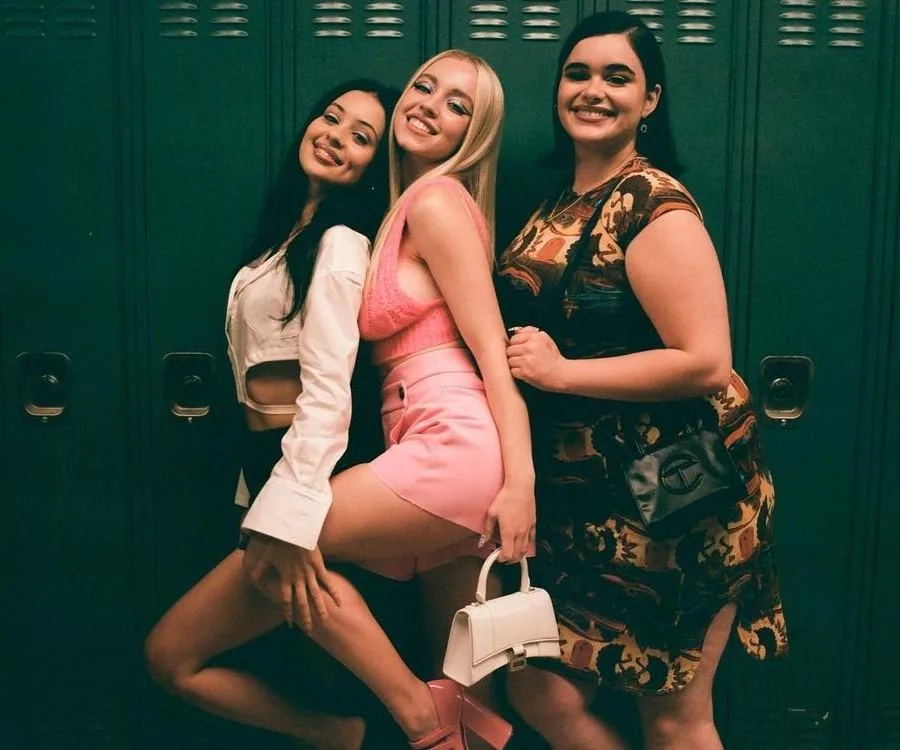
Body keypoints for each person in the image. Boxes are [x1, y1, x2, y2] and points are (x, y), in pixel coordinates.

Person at [495, 12, 788, 750]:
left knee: (673, 716)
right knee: (538, 687)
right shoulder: (560, 202)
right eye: (578, 73)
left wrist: (562, 373)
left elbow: (706, 359)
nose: (593, 90)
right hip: (589, 502)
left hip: (676, 493)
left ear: (650, 99)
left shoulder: (652, 202)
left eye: (617, 77)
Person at [239, 49, 535, 750]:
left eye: (456, 105)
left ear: (473, 134)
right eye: (424, 87)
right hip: (425, 440)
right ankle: (439, 722)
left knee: (278, 537)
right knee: (467, 695)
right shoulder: (405, 209)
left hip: (453, 442)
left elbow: (492, 356)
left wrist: (521, 482)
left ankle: (411, 715)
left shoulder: (436, 202)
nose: (430, 104)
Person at [145, 79, 399, 750]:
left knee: (170, 657)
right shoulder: (284, 238)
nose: (335, 136)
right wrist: (252, 495)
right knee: (313, 662)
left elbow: (328, 389)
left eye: (360, 137)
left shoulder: (340, 244)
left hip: (303, 471)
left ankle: (366, 733)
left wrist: (291, 510)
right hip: (266, 468)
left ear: (374, 167)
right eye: (331, 117)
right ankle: (349, 732)